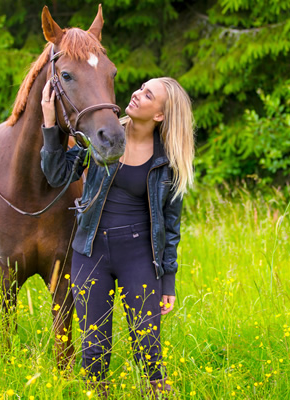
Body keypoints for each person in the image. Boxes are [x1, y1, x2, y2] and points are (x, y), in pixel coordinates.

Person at [40, 77, 195, 396]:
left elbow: (171, 226)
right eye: (141, 87)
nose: (137, 94)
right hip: (90, 251)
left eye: (148, 94)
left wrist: (168, 282)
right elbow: (56, 175)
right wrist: (49, 122)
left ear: (160, 115)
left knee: (149, 349)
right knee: (94, 350)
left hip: (138, 256)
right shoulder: (103, 136)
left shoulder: (169, 161)